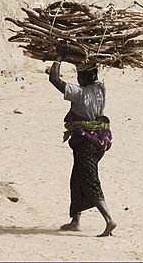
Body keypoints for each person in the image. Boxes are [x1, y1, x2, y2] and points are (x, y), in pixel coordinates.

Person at [48, 61, 117, 236]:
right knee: (77, 179)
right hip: (99, 141)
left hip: (86, 142)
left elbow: (54, 79)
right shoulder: (101, 89)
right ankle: (75, 220)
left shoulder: (80, 94)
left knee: (89, 179)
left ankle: (109, 220)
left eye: (80, 76)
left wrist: (58, 58)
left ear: (86, 77)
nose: (78, 80)